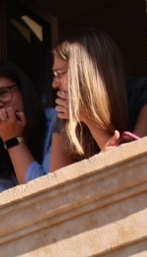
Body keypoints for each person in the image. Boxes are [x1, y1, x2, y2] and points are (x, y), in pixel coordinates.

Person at [49, 28, 141, 172]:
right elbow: (57, 179)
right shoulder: (65, 113)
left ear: (84, 71)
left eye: (59, 73)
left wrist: (87, 117)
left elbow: (136, 166)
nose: (54, 84)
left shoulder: (141, 93)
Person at [0, 61, 54, 197]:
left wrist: (12, 140)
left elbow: (45, 194)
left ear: (22, 90)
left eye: (3, 92)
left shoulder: (55, 122)